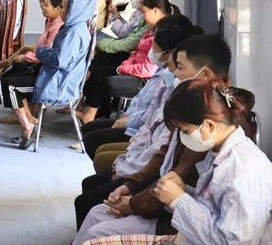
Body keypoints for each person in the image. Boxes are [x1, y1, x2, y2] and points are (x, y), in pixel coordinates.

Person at [50, 34, 229, 245]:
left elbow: (174, 184)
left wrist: (132, 204)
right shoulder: (191, 105)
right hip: (163, 205)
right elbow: (163, 154)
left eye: (179, 67)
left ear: (205, 74)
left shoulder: (207, 125)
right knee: (97, 212)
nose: (174, 73)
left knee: (98, 232)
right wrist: (130, 186)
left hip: (172, 222)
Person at [75, 81, 272, 245]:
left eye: (185, 131)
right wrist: (181, 191)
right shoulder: (220, 154)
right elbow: (213, 208)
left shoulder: (244, 171)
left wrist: (179, 200)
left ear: (209, 126)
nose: (183, 137)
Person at [80, 15, 200, 159]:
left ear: (169, 52)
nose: (152, 51)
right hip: (138, 123)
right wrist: (128, 116)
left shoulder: (174, 81)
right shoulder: (163, 70)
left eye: (155, 48)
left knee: (94, 141)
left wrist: (129, 122)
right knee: (89, 130)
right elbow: (141, 98)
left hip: (142, 128)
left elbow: (156, 116)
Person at [7, 0, 97, 148]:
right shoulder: (75, 27)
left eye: (65, 7)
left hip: (58, 83)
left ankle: (28, 125)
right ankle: (30, 119)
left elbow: (58, 60)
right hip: (58, 77)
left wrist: (41, 51)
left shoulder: (74, 33)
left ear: (75, 9)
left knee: (10, 86)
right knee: (13, 79)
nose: (62, 11)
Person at [78, 0, 177, 124]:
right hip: (134, 67)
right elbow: (137, 51)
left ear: (155, 11)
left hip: (144, 77)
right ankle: (89, 109)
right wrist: (126, 65)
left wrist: (123, 69)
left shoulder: (162, 34)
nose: (142, 15)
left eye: (144, 12)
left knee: (102, 78)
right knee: (98, 70)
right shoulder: (151, 29)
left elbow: (147, 69)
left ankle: (90, 113)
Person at [0, 0, 64, 116]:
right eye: (41, 3)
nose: (42, 7)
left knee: (16, 69)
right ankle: (21, 111)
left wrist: (26, 57)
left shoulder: (57, 26)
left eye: (46, 5)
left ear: (57, 8)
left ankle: (23, 114)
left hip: (44, 68)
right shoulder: (50, 21)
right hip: (41, 62)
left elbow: (47, 52)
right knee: (19, 59)